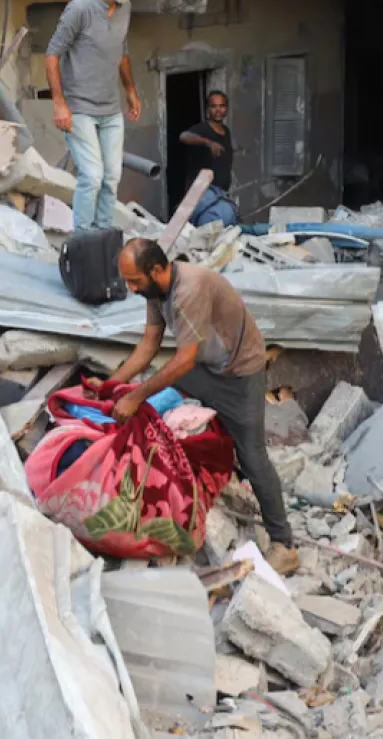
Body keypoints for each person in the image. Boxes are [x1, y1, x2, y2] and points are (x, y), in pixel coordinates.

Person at [94, 238, 299, 574]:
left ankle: (285, 545)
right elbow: (149, 344)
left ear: (157, 270)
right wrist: (113, 387)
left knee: (253, 457)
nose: (130, 289)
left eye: (134, 281)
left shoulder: (189, 289)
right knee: (155, 393)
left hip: (239, 372)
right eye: (127, 281)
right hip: (208, 366)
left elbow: (185, 360)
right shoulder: (155, 291)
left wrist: (135, 396)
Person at [45, 0, 145, 230]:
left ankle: (102, 236)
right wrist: (59, 103)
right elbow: (52, 55)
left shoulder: (125, 8)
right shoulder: (80, 9)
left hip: (111, 109)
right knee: (92, 176)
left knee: (112, 177)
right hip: (80, 108)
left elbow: (122, 50)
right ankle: (82, 239)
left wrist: (130, 90)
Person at [178, 90, 233, 195]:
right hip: (202, 194)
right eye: (213, 106)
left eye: (222, 106)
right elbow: (183, 136)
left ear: (227, 109)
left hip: (220, 193)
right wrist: (208, 142)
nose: (218, 110)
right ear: (208, 109)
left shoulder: (226, 131)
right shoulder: (203, 129)